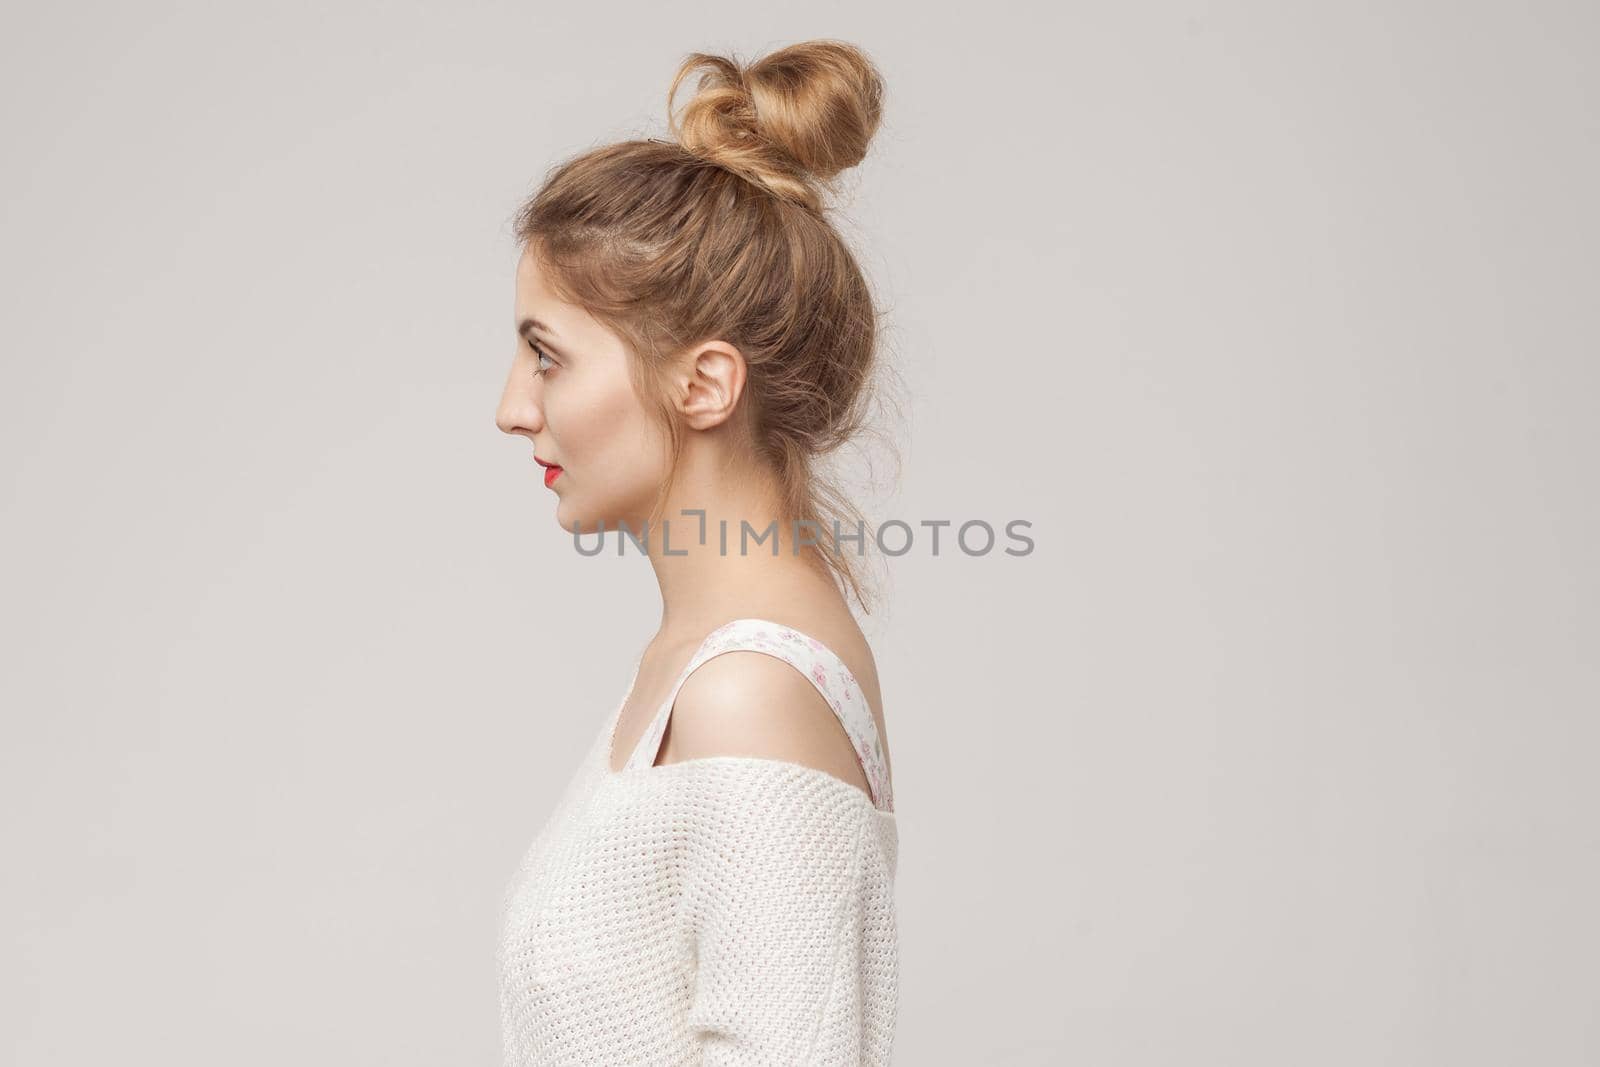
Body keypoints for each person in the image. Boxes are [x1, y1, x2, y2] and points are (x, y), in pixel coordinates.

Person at [494, 39, 900, 1066]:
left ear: (705, 385)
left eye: (547, 355)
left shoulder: (747, 691)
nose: (509, 407)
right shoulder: (696, 666)